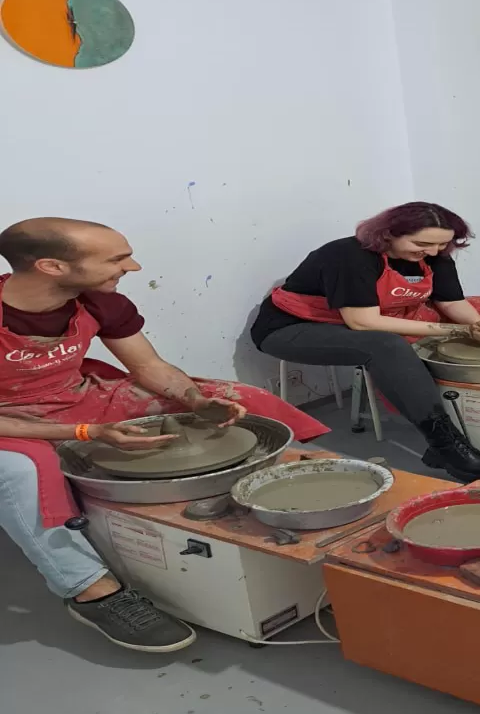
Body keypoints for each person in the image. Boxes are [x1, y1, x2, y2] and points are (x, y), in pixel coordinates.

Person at [0, 218, 330, 654]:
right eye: (117, 259)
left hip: (73, 395)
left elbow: (149, 368)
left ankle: (313, 488)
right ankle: (91, 590)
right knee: (25, 471)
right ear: (51, 266)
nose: (132, 267)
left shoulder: (98, 300)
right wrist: (85, 432)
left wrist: (195, 401)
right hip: (10, 419)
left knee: (242, 398)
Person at [252, 202, 480, 482]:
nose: (432, 251)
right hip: (293, 328)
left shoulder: (435, 256)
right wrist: (455, 332)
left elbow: (451, 301)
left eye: (441, 244)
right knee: (386, 345)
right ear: (388, 235)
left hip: (370, 318)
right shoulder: (348, 255)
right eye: (421, 244)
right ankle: (446, 446)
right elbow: (363, 322)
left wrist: (479, 325)